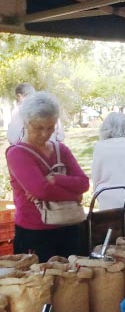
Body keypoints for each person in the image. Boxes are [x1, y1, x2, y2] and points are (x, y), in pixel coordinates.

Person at [5, 91, 88, 261]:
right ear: (26, 123)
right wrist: (75, 196)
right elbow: (41, 191)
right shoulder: (17, 153)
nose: (45, 134)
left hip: (69, 227)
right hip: (35, 232)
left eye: (50, 128)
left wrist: (56, 180)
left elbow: (84, 183)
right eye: (38, 128)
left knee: (74, 283)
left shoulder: (61, 149)